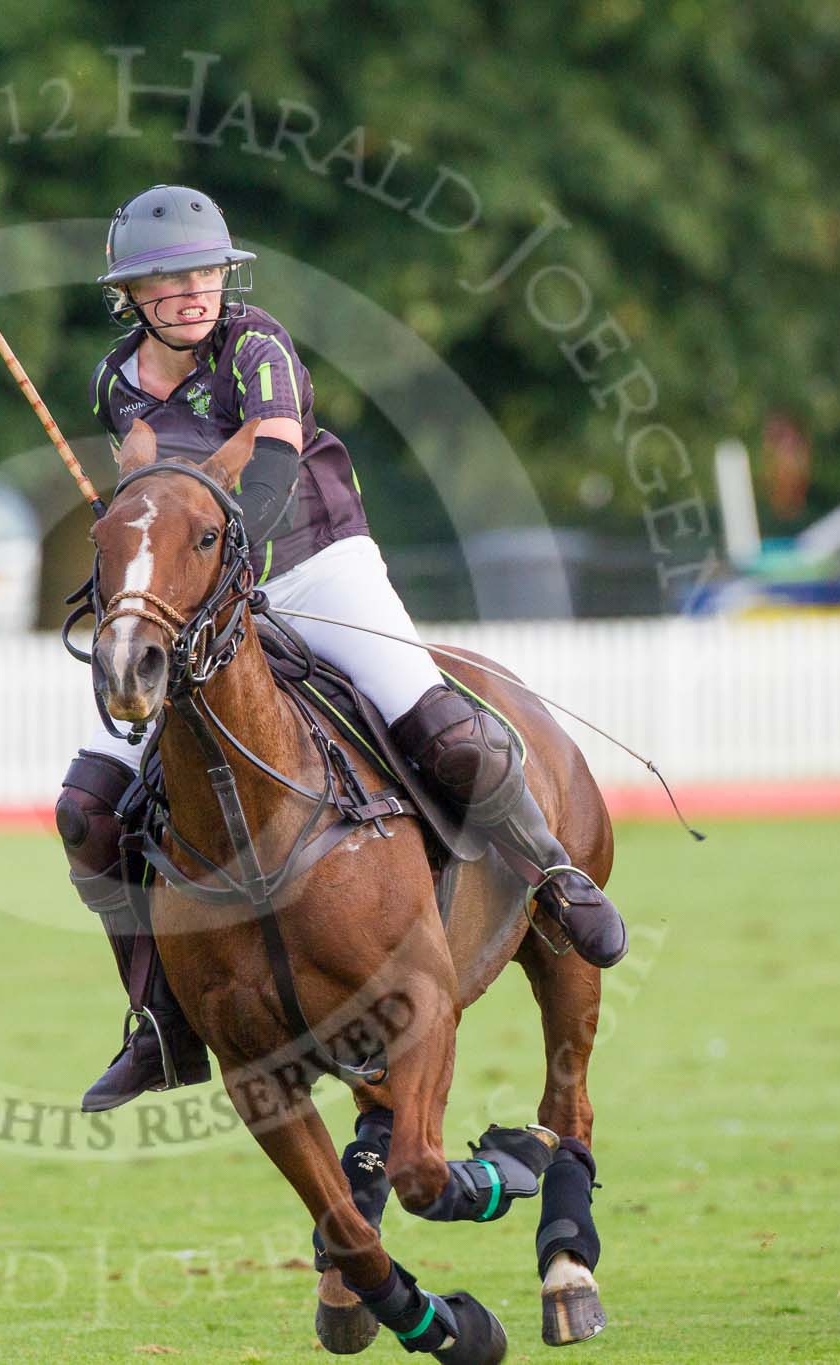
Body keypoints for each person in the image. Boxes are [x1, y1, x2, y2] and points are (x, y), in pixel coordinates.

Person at [58, 185, 629, 1113]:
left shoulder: (258, 345)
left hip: (317, 567)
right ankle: (158, 1022)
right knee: (89, 808)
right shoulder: (115, 379)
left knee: (445, 730)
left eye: (205, 270)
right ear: (133, 295)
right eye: (168, 279)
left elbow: (274, 463)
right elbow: (152, 480)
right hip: (200, 600)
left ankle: (553, 879)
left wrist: (229, 554)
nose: (192, 290)